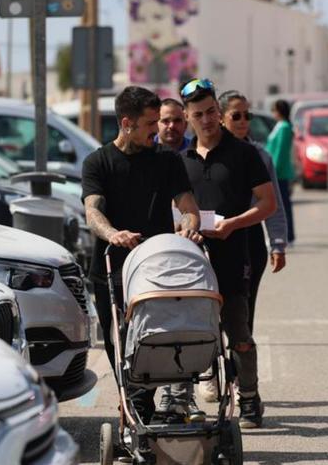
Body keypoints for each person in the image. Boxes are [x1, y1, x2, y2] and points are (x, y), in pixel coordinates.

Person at [82, 85, 205, 425]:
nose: (157, 130)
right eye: (150, 123)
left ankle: (138, 408)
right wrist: (112, 234)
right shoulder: (98, 162)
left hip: (156, 269)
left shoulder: (167, 161)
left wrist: (189, 226)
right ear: (126, 123)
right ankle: (134, 404)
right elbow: (92, 210)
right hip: (111, 268)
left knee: (154, 340)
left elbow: (187, 205)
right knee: (117, 344)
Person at [179, 78, 277, 428]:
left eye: (211, 112)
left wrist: (233, 224)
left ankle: (249, 398)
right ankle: (182, 399)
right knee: (188, 334)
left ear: (218, 113)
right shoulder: (181, 160)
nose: (206, 120)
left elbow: (269, 204)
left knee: (239, 334)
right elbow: (172, 210)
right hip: (191, 264)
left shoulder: (243, 153)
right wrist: (181, 229)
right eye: (198, 114)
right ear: (188, 118)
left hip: (235, 256)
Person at [218, 90, 288, 321]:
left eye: (247, 116)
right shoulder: (206, 154)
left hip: (250, 239)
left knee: (245, 310)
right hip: (214, 237)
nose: (243, 122)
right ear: (221, 117)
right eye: (236, 116)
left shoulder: (260, 155)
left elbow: (272, 202)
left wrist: (277, 245)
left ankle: (240, 355)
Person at [266, 99, 296, 245]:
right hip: (277, 171)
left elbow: (280, 152)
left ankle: (288, 235)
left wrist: (273, 170)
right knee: (280, 204)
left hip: (279, 173)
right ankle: (286, 235)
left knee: (283, 206)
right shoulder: (280, 126)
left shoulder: (284, 127)